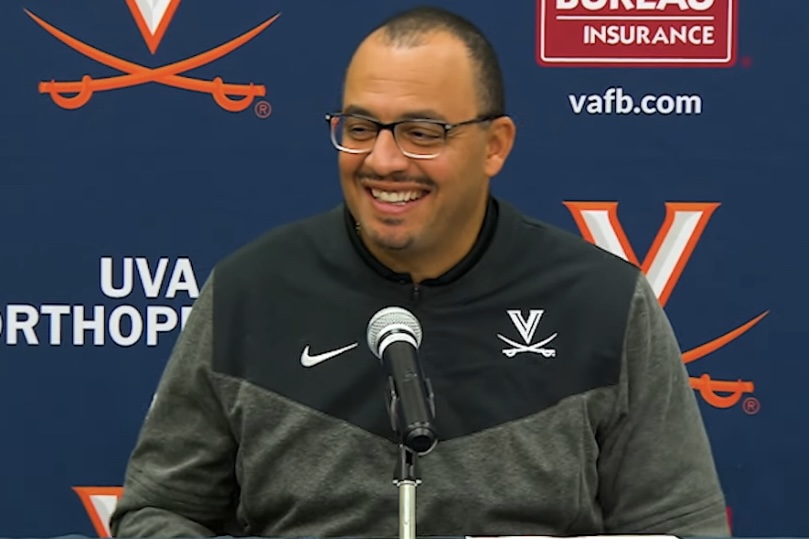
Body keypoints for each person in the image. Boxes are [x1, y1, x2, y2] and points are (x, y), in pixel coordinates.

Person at [110, 5, 730, 538]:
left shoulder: (604, 301)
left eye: (422, 133)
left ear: (495, 145)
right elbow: (159, 510)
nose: (383, 161)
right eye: (360, 129)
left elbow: (678, 524)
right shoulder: (251, 290)